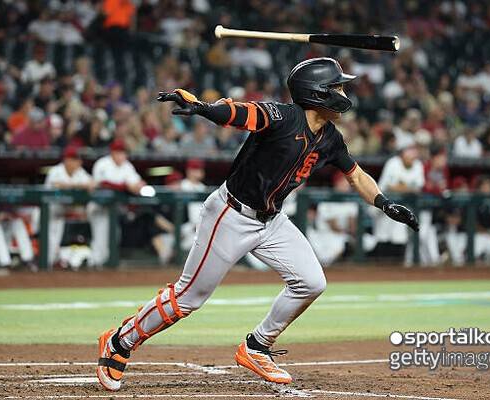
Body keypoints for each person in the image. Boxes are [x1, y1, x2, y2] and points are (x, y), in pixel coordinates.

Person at [96, 57, 418, 391]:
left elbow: (356, 175)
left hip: (272, 220)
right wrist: (204, 108)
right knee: (188, 297)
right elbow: (242, 113)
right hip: (231, 214)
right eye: (337, 86)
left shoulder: (330, 137)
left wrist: (384, 203)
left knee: (311, 282)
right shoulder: (284, 116)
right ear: (319, 92)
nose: (343, 92)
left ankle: (257, 346)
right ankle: (119, 342)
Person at [88, 139, 146, 267]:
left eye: (123, 152)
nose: (121, 155)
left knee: (114, 236)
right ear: (112, 153)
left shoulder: (127, 166)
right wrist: (126, 186)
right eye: (118, 152)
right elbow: (103, 184)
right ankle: (94, 265)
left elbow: (137, 184)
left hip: (113, 210)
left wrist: (136, 186)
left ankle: (104, 266)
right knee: (100, 238)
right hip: (99, 207)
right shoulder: (102, 164)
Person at [44, 146, 95, 266]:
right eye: (75, 159)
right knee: (50, 240)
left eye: (78, 159)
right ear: (66, 160)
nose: (79, 162)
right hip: (48, 212)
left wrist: (73, 185)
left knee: (56, 241)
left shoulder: (79, 172)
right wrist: (79, 185)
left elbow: (92, 183)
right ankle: (44, 266)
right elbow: (57, 184)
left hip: (62, 212)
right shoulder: (56, 171)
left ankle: (51, 264)